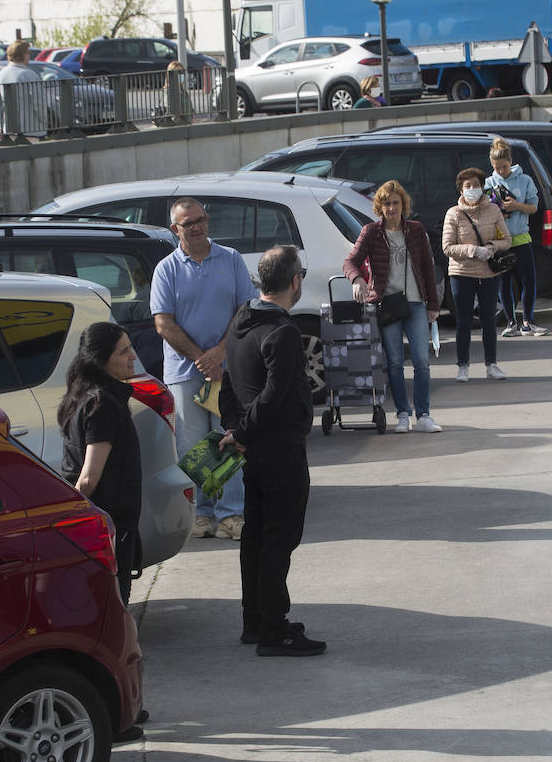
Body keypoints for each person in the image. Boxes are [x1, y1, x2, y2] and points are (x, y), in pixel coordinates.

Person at [217, 245, 325, 657]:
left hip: (256, 449)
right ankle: (274, 629)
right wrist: (242, 430)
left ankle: (257, 620)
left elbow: (229, 387)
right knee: (278, 539)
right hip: (279, 450)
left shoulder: (241, 323)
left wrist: (236, 429)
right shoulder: (282, 332)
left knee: (257, 536)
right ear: (294, 281)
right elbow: (275, 394)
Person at [151, 196, 256, 541]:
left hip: (229, 370)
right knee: (193, 447)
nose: (197, 227)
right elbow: (163, 323)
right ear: (174, 229)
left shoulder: (231, 258)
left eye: (201, 220)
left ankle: (231, 515)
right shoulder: (166, 269)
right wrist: (202, 358)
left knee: (229, 440)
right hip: (184, 373)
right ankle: (202, 514)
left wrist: (220, 353)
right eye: (188, 223)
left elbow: (245, 310)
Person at [343, 180, 442, 434]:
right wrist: (357, 280)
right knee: (395, 363)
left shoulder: (416, 230)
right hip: (387, 304)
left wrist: (433, 304)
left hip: (416, 303)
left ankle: (423, 415)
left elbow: (428, 268)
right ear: (380, 206)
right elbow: (350, 262)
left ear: (403, 205)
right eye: (386, 203)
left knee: (422, 361)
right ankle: (402, 414)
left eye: (395, 203)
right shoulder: (371, 231)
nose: (391, 208)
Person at [58, 322, 142, 604]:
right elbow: (88, 478)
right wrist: (69, 520)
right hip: (108, 524)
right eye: (123, 351)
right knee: (113, 605)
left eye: (130, 347)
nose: (133, 356)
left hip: (110, 521)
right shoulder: (102, 404)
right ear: (102, 360)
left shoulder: (85, 395)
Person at [441, 167, 511, 381]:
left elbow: (507, 240)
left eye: (476, 185)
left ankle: (492, 364)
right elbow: (447, 247)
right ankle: (463, 366)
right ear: (461, 190)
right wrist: (473, 250)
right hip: (462, 273)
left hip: (489, 273)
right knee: (463, 321)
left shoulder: (494, 210)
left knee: (489, 320)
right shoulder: (453, 213)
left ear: (483, 187)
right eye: (468, 185)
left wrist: (491, 247)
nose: (472, 189)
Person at [485, 137, 546, 338]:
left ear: (511, 161)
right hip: (500, 241)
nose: (501, 171)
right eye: (497, 167)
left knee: (528, 280)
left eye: (504, 166)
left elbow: (534, 207)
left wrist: (516, 206)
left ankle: (528, 321)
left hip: (521, 237)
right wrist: (498, 212)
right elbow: (484, 211)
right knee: (503, 282)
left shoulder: (525, 180)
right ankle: (511, 322)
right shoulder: (489, 183)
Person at [0, 39, 46, 143]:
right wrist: (43, 120)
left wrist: (1, 125)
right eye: (28, 52)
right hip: (31, 129)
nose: (30, 55)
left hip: (9, 129)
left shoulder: (1, 74)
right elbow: (39, 102)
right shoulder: (29, 75)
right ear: (23, 54)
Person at [162, 60, 193, 126]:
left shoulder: (183, 90)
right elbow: (169, 108)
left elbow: (190, 108)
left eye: (181, 72)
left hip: (187, 124)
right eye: (177, 72)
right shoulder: (168, 90)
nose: (180, 74)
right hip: (176, 125)